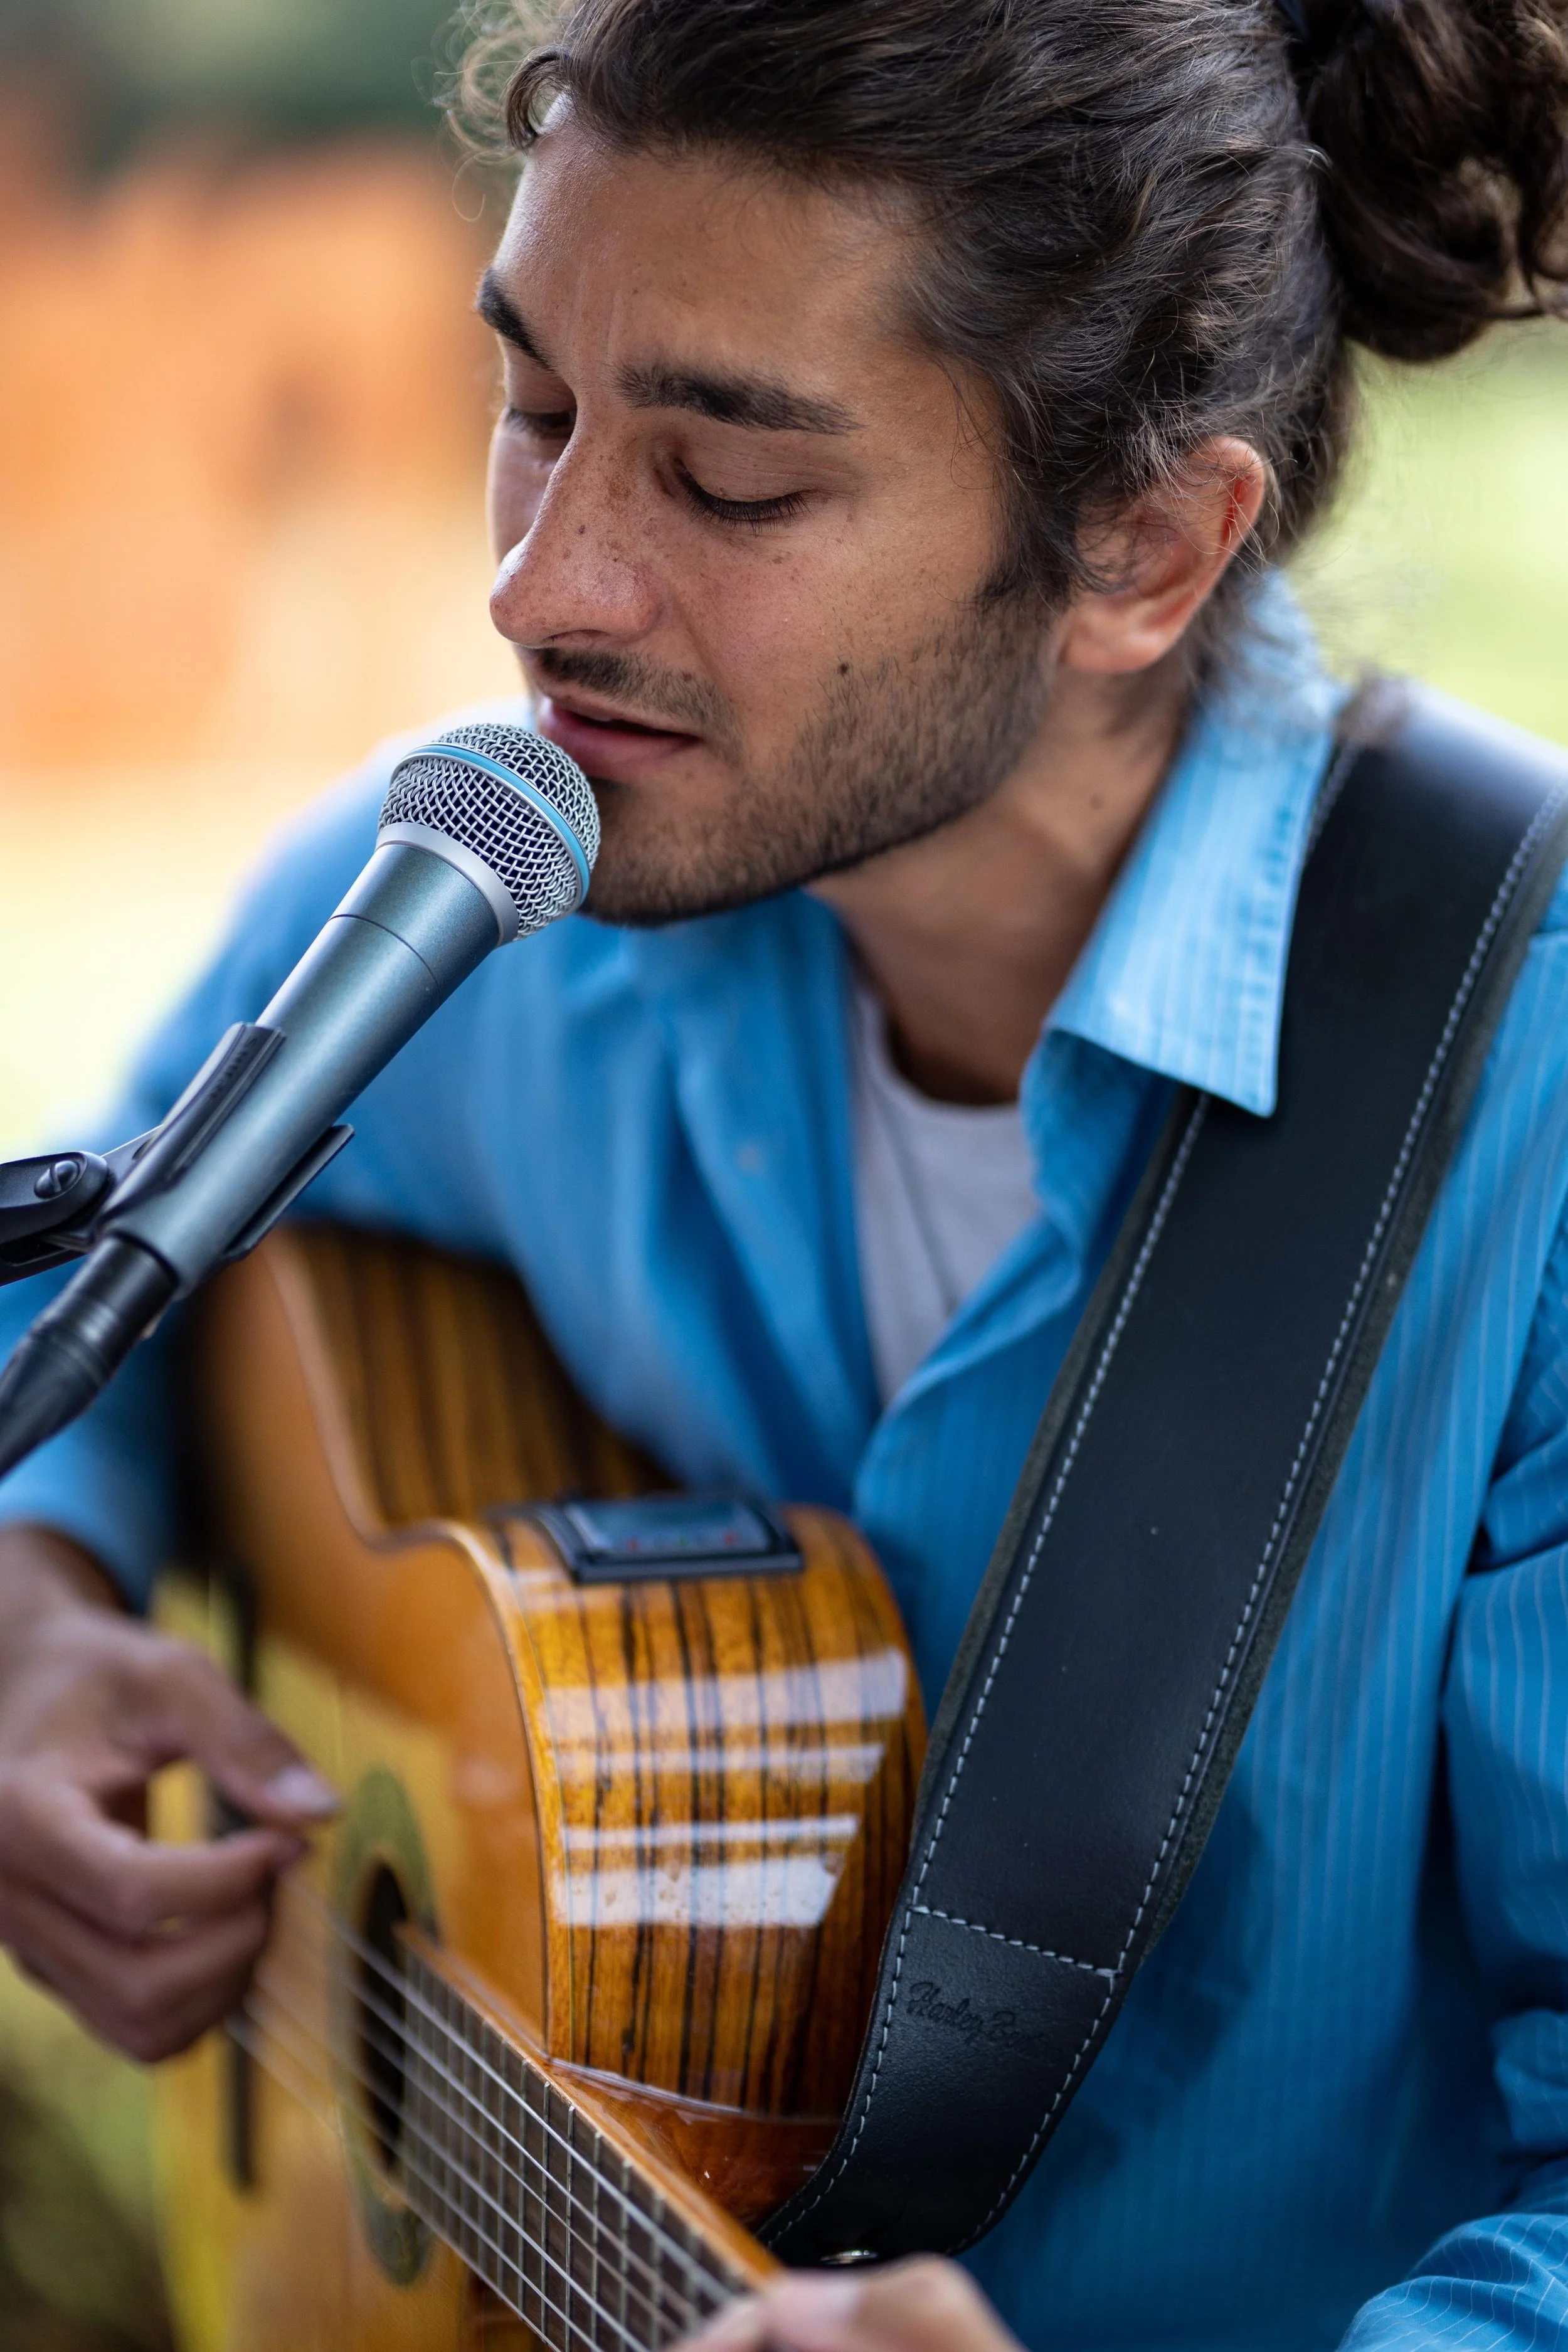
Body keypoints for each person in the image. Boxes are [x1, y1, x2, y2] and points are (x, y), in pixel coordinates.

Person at [1, 0, 1567, 2344]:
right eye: (533, 405)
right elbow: (93, 1291)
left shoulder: (1522, 1106)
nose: (543, 586)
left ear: (1144, 545)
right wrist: (31, 1624)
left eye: (729, 487)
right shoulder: (486, 906)